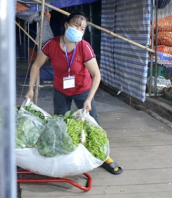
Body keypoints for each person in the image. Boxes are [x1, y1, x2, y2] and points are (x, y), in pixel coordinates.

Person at [25, 10, 123, 175]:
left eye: (82, 28)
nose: (78, 30)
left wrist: (89, 99)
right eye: (76, 25)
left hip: (82, 90)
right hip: (60, 91)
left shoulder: (84, 47)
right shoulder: (51, 45)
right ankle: (64, 155)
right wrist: (30, 89)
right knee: (60, 124)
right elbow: (36, 66)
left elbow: (96, 75)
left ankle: (104, 155)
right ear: (66, 25)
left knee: (93, 123)